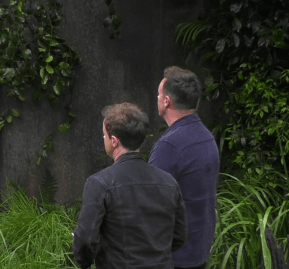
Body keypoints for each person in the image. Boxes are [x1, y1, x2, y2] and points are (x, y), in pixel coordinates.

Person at [73, 102, 187, 268]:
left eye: (104, 135)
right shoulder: (169, 182)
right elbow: (179, 235)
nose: (103, 139)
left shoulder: (100, 184)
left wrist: (87, 261)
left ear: (114, 140)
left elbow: (85, 241)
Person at [149, 66, 220, 269]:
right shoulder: (206, 137)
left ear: (166, 101)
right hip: (198, 252)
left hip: (173, 258)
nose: (157, 98)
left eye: (158, 94)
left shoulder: (169, 146)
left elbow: (148, 204)